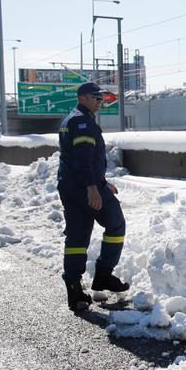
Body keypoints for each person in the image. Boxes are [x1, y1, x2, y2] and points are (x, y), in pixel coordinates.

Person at [57, 82, 130, 312]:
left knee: (77, 237)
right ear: (84, 98)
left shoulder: (72, 119)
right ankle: (104, 274)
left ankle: (74, 288)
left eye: (102, 99)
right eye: (97, 99)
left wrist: (101, 181)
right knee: (116, 224)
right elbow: (82, 157)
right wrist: (92, 187)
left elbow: (77, 159)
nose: (100, 103)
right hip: (83, 187)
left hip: (70, 186)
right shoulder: (82, 122)